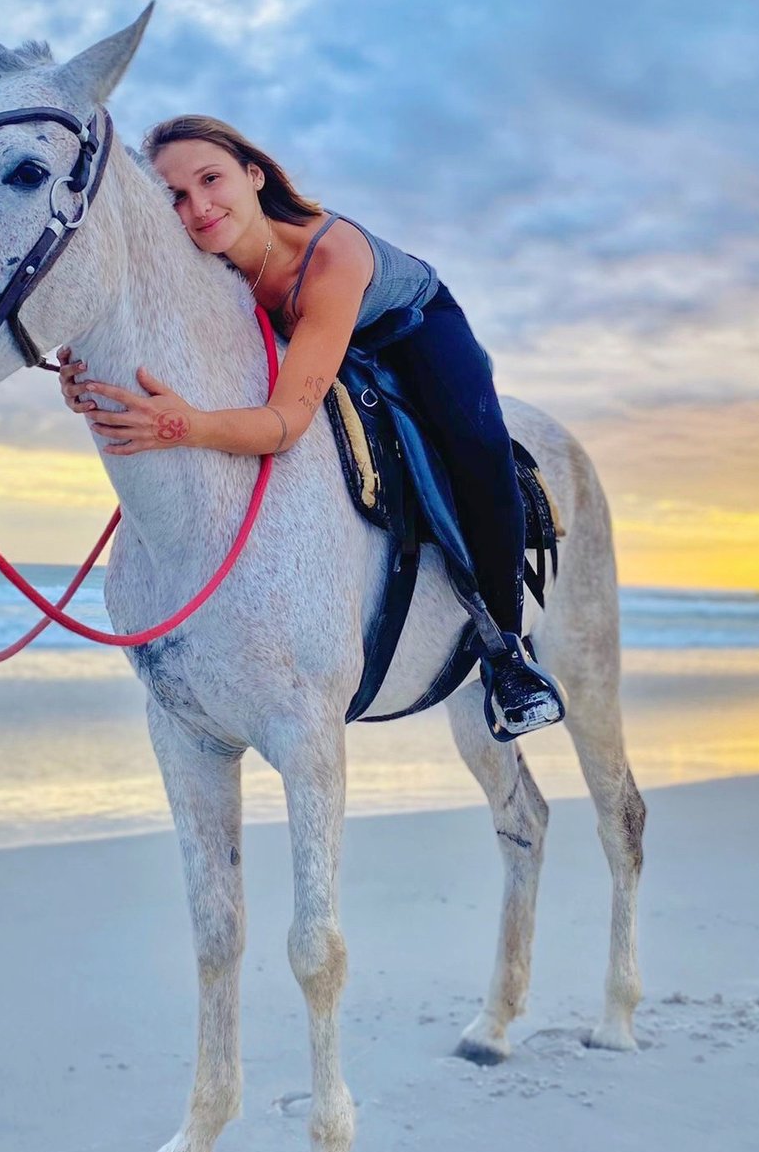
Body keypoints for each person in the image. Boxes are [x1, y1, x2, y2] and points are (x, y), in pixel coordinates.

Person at [56, 115, 564, 739]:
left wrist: (185, 426)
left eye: (211, 179)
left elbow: (288, 422)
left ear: (253, 174)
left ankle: (508, 651)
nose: (200, 206)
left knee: (477, 447)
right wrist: (88, 382)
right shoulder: (204, 264)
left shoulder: (330, 256)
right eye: (177, 198)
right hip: (306, 332)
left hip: (410, 326)